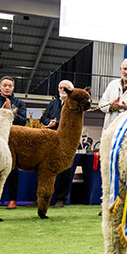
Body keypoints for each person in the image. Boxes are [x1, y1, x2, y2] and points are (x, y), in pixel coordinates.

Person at [0, 76, 28, 209]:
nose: (7, 87)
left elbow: (23, 121)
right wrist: (2, 112)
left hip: (12, 141)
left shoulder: (19, 103)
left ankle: (12, 199)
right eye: (5, 85)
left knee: (13, 169)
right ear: (0, 87)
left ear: (13, 88)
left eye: (10, 85)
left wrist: (10, 113)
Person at [40, 80, 75, 208]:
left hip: (66, 142)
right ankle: (43, 199)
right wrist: (49, 122)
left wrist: (58, 123)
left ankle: (61, 199)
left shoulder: (74, 104)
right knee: (46, 169)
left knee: (65, 170)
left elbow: (73, 121)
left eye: (65, 88)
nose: (62, 90)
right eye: (60, 88)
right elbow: (43, 118)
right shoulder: (53, 103)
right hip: (51, 140)